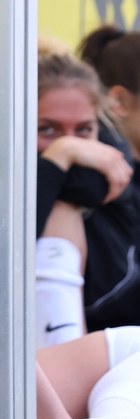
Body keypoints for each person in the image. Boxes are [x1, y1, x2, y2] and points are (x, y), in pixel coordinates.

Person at [35, 42, 137, 347]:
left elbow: (90, 185)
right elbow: (12, 248)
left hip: (124, 328)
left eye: (83, 130)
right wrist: (62, 152)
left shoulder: (111, 145)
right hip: (91, 340)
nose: (74, 145)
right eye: (47, 129)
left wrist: (60, 153)